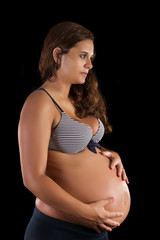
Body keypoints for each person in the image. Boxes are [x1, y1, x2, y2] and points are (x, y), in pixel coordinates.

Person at [18, 21, 130, 240]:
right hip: (59, 229)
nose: (89, 64)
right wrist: (87, 213)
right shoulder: (40, 102)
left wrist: (107, 153)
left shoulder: (76, 97)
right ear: (58, 55)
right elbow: (33, 177)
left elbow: (73, 148)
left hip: (94, 230)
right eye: (82, 56)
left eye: (91, 58)